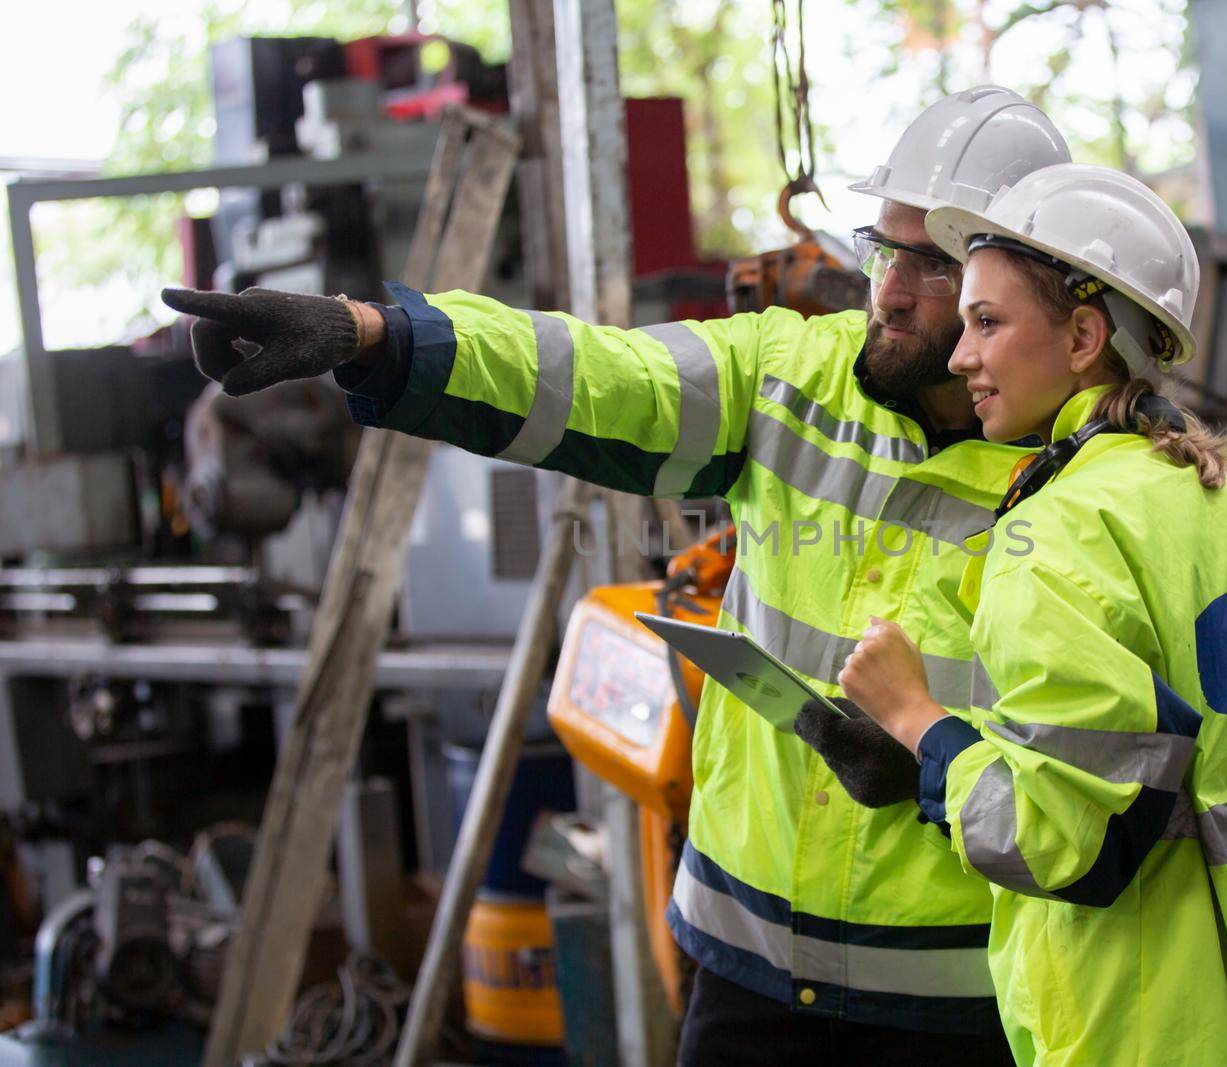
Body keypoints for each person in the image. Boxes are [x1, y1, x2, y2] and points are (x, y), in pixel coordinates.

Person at [162, 88, 1073, 1063]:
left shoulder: (1090, 476)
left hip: (964, 993)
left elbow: (1114, 757)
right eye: (883, 247)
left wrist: (942, 757)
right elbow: (593, 373)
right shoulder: (787, 375)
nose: (886, 289)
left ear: (1024, 285)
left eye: (933, 265)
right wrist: (374, 335)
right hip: (746, 966)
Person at [837, 163, 1227, 1066]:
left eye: (988, 322)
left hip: (1129, 1026)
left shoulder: (1052, 532)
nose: (960, 358)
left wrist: (917, 721)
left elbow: (1067, 843)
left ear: (1084, 334)